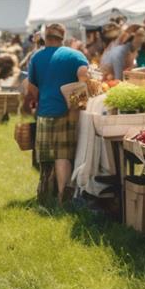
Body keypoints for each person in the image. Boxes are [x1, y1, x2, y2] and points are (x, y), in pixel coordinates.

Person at [26, 23, 89, 205]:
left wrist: (41, 96)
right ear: (63, 37)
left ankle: (45, 195)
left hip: (45, 112)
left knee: (46, 158)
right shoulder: (75, 55)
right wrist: (75, 106)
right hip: (67, 113)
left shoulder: (36, 57)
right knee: (63, 156)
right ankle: (63, 196)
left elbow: (32, 88)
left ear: (46, 37)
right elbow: (83, 77)